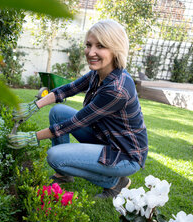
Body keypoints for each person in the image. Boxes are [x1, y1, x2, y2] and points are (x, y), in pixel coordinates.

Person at [8, 19, 148, 198]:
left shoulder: (117, 89)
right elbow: (68, 89)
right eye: (89, 45)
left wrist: (32, 137)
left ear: (115, 49)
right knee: (58, 112)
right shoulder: (99, 73)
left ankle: (115, 182)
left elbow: (75, 123)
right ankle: (64, 175)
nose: (91, 52)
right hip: (106, 137)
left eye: (101, 46)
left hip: (124, 155)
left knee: (55, 156)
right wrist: (34, 106)